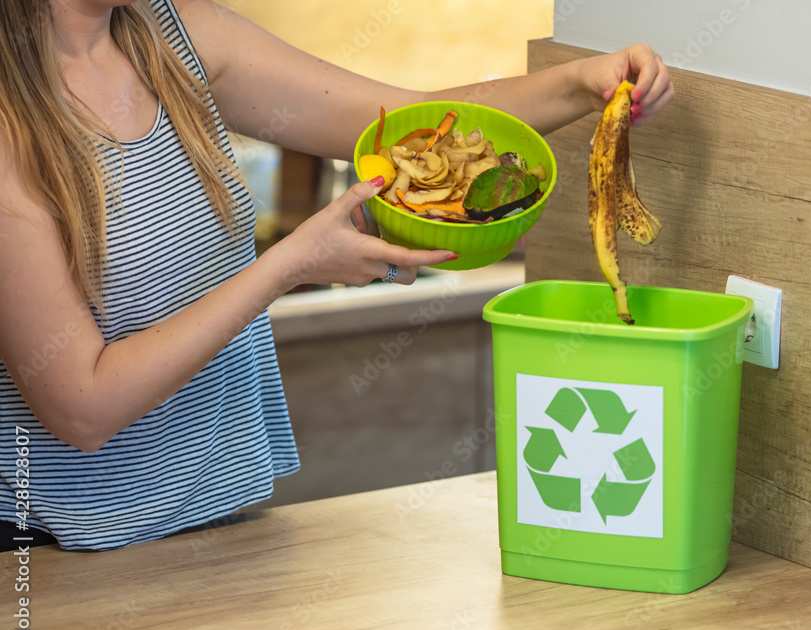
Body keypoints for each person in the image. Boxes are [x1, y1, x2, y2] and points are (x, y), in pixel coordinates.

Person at [0, 0, 675, 551]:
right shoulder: (10, 122)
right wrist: (289, 265)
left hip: (214, 521)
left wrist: (582, 82)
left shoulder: (174, 34)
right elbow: (81, 407)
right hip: (57, 555)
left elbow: (408, 123)